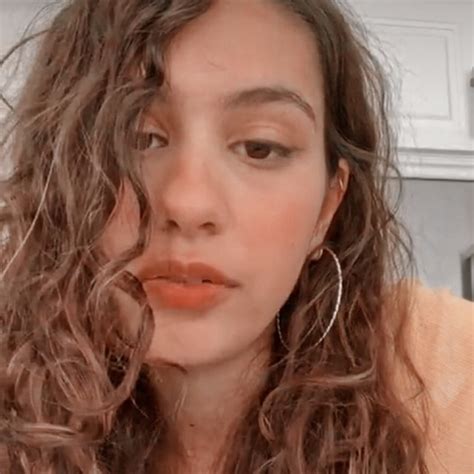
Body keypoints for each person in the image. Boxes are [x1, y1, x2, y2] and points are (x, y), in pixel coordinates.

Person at [0, 0, 472, 473]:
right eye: (137, 139)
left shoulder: (444, 374)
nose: (188, 205)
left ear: (327, 207)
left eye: (260, 147)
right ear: (57, 180)